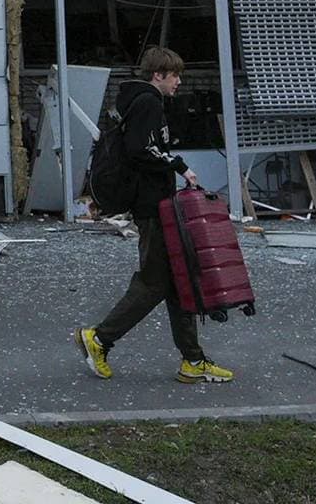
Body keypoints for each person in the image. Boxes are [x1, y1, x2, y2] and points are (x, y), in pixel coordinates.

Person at [74, 46, 234, 385]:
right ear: (157, 75)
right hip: (152, 206)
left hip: (153, 203)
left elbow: (144, 147)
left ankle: (193, 360)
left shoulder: (136, 101)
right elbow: (140, 150)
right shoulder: (147, 101)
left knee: (178, 280)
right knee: (154, 282)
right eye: (174, 75)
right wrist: (179, 165)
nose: (179, 81)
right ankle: (99, 339)